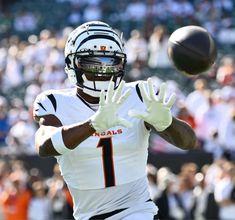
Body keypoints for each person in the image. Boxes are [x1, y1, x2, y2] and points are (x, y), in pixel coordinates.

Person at [33, 21, 196, 220]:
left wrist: (167, 122)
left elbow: (189, 142)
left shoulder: (139, 94)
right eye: (93, 62)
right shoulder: (55, 102)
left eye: (111, 62)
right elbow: (44, 146)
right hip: (87, 215)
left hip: (138, 211)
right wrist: (92, 125)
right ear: (71, 64)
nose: (103, 69)